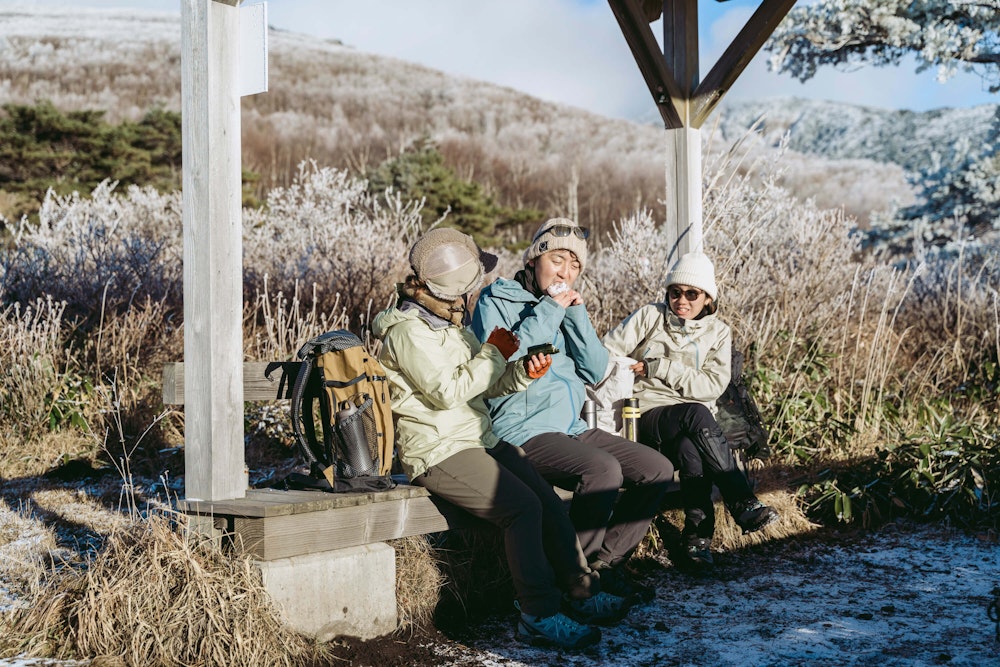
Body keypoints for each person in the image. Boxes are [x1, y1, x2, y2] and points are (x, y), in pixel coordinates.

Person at [372, 228, 630, 650]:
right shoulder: (408, 332)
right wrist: (495, 352)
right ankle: (538, 614)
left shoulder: (450, 327)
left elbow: (482, 385)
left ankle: (582, 591)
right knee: (523, 510)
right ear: (457, 286)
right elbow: (448, 392)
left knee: (546, 501)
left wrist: (519, 374)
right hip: (438, 449)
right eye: (472, 281)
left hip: (477, 437)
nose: (476, 289)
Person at [471, 218, 674, 600]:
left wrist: (576, 315)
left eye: (575, 266)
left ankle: (601, 568)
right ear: (534, 260)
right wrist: (549, 310)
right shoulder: (495, 299)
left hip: (569, 427)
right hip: (520, 428)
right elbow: (502, 354)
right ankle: (572, 578)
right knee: (601, 469)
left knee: (656, 469)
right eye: (558, 260)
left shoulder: (564, 305)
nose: (566, 272)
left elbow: (595, 370)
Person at [602, 251, 780, 569]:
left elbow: (712, 385)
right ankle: (741, 501)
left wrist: (660, 367)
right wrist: (631, 369)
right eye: (675, 292)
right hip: (647, 415)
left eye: (692, 294)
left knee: (691, 449)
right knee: (696, 414)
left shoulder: (718, 333)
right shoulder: (650, 317)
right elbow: (608, 349)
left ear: (707, 298)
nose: (681, 300)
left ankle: (697, 542)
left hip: (691, 426)